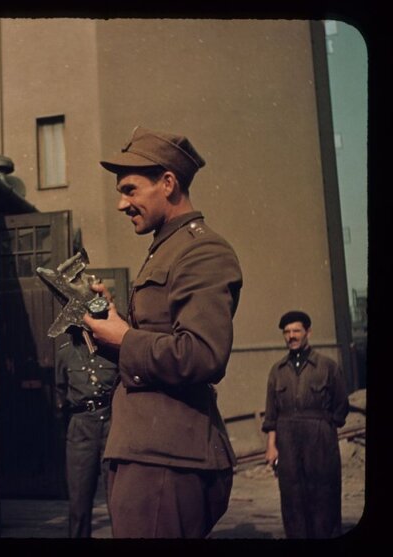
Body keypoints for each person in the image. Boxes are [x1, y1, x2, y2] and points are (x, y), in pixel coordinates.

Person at [83, 126, 243, 538]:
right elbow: (158, 339)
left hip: (169, 459)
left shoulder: (202, 250)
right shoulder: (168, 247)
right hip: (148, 451)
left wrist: (124, 337)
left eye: (131, 190)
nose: (122, 204)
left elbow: (203, 354)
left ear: (168, 183)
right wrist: (111, 325)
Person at [262, 310, 349, 538]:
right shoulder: (277, 371)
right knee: (292, 497)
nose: (291, 336)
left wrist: (323, 428)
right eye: (287, 332)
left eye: (296, 331)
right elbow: (271, 413)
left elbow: (341, 406)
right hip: (287, 439)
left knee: (323, 496)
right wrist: (272, 446)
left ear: (308, 332)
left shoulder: (328, 366)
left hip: (320, 439)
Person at [54, 325, 117, 538]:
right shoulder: (64, 353)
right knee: (79, 502)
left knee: (118, 499)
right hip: (80, 427)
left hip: (111, 423)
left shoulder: (111, 350)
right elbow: (60, 392)